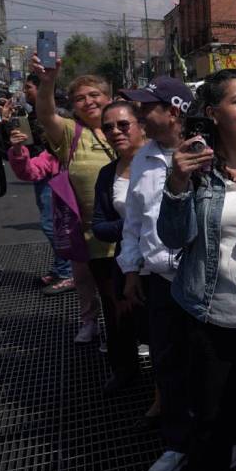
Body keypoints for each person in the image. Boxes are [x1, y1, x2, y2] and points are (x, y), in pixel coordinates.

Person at [157, 69, 236, 471]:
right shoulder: (198, 169)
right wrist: (177, 182)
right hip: (211, 314)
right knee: (212, 417)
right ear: (213, 113)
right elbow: (173, 237)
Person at [116, 76, 195, 471]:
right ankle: (178, 443)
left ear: (176, 110)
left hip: (202, 282)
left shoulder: (206, 153)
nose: (140, 116)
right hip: (160, 283)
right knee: (167, 363)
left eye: (149, 108)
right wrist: (131, 270)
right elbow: (134, 221)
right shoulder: (143, 157)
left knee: (212, 366)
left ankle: (228, 436)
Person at [29, 57, 115, 342]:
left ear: (109, 97)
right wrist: (48, 81)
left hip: (124, 226)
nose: (88, 101)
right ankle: (89, 321)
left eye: (95, 95)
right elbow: (45, 114)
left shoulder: (126, 127)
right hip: (85, 227)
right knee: (85, 279)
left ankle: (125, 330)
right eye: (79, 98)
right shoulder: (71, 133)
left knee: (124, 285)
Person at [90, 101, 147, 395]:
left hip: (165, 263)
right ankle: (124, 370)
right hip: (126, 260)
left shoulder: (163, 162)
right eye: (108, 127)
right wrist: (133, 226)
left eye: (123, 125)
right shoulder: (108, 173)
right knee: (120, 320)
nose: (115, 132)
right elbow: (99, 225)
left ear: (141, 125)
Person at [5, 75, 74, 287]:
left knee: (54, 226)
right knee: (52, 225)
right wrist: (18, 149)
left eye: (29, 88)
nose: (26, 92)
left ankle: (67, 271)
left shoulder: (61, 123)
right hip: (45, 175)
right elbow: (30, 170)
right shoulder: (48, 154)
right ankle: (62, 268)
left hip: (57, 181)